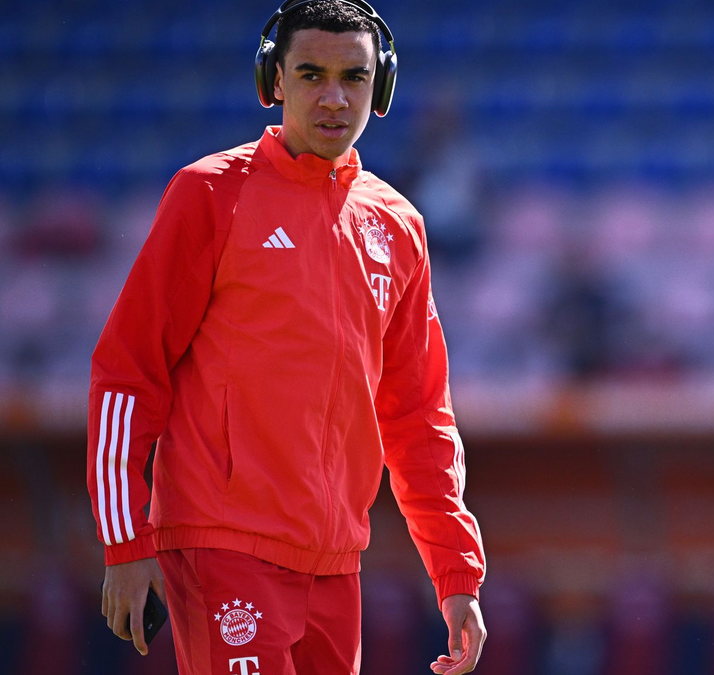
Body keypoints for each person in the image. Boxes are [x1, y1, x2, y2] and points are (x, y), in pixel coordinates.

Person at [86, 2, 486, 674]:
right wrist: (126, 541)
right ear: (273, 81)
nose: (334, 98)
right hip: (224, 547)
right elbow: (128, 373)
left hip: (335, 565)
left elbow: (420, 418)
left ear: (380, 88)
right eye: (311, 74)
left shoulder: (398, 227)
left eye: (354, 78)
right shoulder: (209, 195)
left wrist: (457, 576)